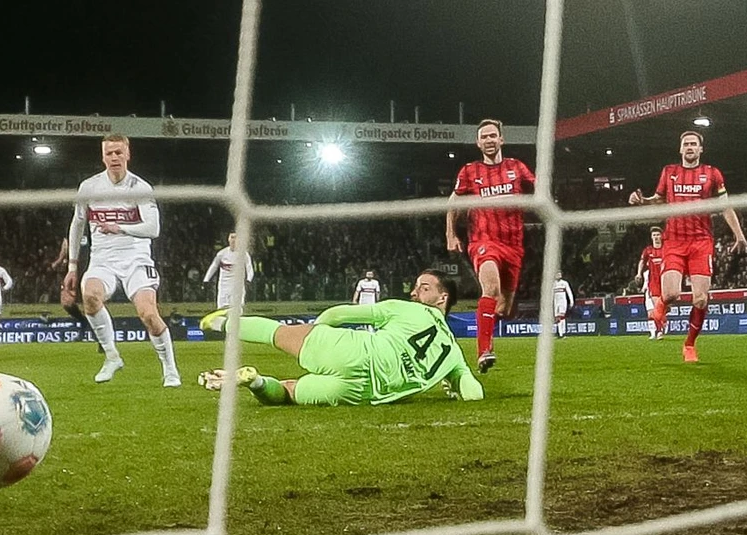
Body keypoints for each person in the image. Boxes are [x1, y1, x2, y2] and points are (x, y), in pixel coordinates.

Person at [199, 269, 483, 406]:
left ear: (441, 297)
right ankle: (256, 382)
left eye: (423, 288)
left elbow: (341, 314)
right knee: (288, 392)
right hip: (366, 393)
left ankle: (220, 322)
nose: (414, 292)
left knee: (277, 333)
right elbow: (474, 394)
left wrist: (316, 329)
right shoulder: (454, 352)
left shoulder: (406, 309)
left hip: (355, 351)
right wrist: (456, 386)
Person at [62, 133, 181, 386]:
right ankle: (112, 356)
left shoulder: (140, 188)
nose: (114, 157)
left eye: (118, 152)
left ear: (128, 154)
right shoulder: (89, 188)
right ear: (102, 157)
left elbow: (153, 229)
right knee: (90, 297)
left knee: (148, 314)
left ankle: (170, 370)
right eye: (109, 153)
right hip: (102, 260)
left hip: (136, 259)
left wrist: (121, 227)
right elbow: (77, 224)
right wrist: (72, 266)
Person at [628, 131, 747, 362]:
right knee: (671, 293)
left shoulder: (712, 174)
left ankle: (690, 344)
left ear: (701, 149)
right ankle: (661, 305)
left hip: (701, 242)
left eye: (694, 144)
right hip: (673, 240)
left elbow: (725, 206)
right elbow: (659, 199)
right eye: (686, 144)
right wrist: (642, 201)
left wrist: (739, 236)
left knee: (700, 299)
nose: (690, 147)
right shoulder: (669, 172)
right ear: (680, 149)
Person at [447, 118, 536, 373]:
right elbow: (453, 204)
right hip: (484, 241)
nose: (488, 140)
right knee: (491, 289)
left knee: (504, 308)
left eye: (492, 136)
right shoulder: (469, 172)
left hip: (514, 245)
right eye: (484, 137)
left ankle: (485, 325)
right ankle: (484, 351)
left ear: (501, 139)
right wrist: (451, 235)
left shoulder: (517, 167)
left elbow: (539, 189)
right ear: (478, 143)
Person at [202, 232, 254, 309]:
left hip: (237, 286)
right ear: (228, 239)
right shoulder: (222, 254)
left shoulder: (244, 254)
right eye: (232, 237)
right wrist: (206, 280)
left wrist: (249, 280)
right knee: (222, 310)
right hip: (224, 287)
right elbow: (213, 266)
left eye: (235, 237)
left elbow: (249, 268)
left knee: (237, 309)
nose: (234, 240)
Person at [636, 226, 666, 340]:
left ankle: (662, 325)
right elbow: (642, 262)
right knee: (656, 307)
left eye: (658, 235)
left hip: (665, 281)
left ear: (661, 236)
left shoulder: (666, 249)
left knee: (664, 308)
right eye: (654, 235)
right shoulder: (648, 250)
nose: (656, 237)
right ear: (651, 237)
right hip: (653, 283)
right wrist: (639, 273)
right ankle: (659, 331)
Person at [552, 271, 574, 339]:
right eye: (557, 274)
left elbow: (569, 292)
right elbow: (551, 295)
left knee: (562, 317)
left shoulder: (564, 283)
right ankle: (560, 333)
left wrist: (571, 301)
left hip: (562, 302)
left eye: (560, 274)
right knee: (557, 318)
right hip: (556, 303)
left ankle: (563, 333)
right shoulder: (553, 284)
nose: (559, 275)